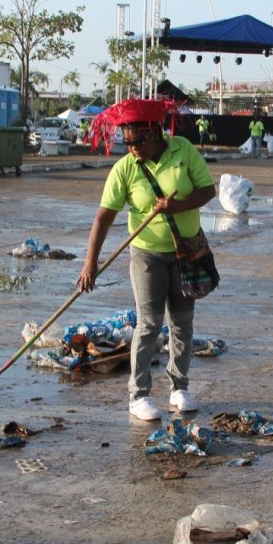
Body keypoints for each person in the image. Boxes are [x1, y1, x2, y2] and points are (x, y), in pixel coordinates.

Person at [78, 99, 216, 422]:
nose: (132, 148)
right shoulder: (125, 169)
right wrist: (90, 263)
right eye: (126, 142)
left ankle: (179, 387)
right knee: (150, 323)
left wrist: (176, 206)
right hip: (147, 254)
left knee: (182, 322)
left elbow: (208, 191)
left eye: (138, 141)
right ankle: (138, 394)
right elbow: (103, 218)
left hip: (186, 253)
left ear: (155, 133)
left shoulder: (183, 151)